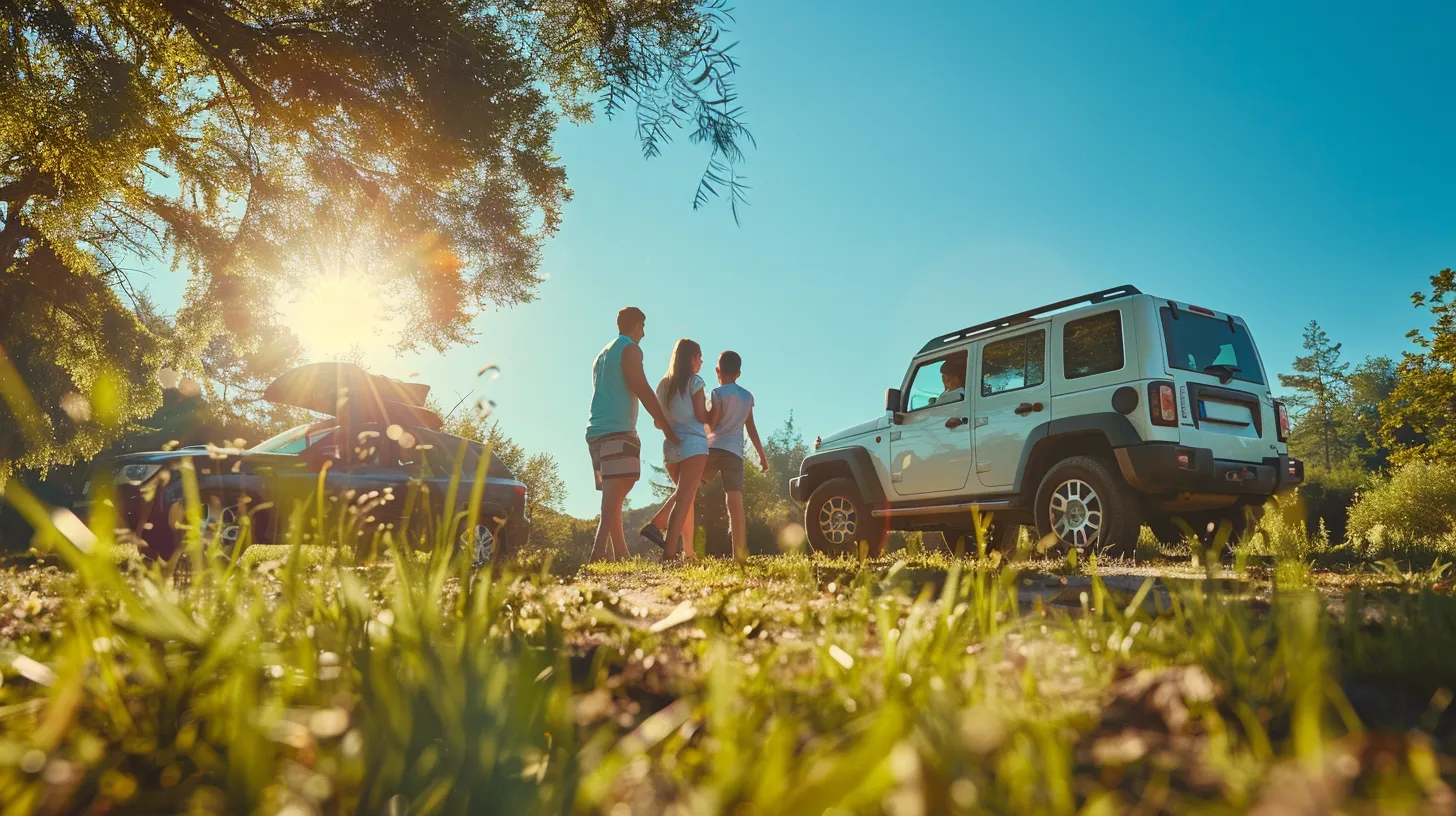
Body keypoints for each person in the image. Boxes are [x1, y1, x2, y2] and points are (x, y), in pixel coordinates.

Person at [641, 350, 767, 561]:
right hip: (735, 454)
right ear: (739, 373)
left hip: (712, 449)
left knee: (687, 489)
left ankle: (659, 521)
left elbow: (712, 423)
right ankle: (740, 554)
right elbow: (751, 427)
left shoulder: (717, 394)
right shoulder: (747, 397)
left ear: (718, 371)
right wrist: (761, 455)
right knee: (735, 502)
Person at [586, 307, 679, 562]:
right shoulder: (630, 349)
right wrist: (662, 421)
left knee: (613, 490)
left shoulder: (603, 353)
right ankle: (598, 553)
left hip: (595, 431)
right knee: (618, 488)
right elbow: (640, 385)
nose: (644, 334)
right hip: (618, 429)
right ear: (637, 324)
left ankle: (621, 554)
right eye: (644, 327)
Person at [653, 339, 710, 560]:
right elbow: (701, 416)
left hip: (671, 447)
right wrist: (715, 411)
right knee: (685, 497)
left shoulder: (663, 385)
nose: (701, 361)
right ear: (692, 358)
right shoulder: (695, 382)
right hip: (694, 444)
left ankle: (688, 552)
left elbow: (658, 422)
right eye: (699, 356)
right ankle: (668, 553)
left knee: (687, 497)